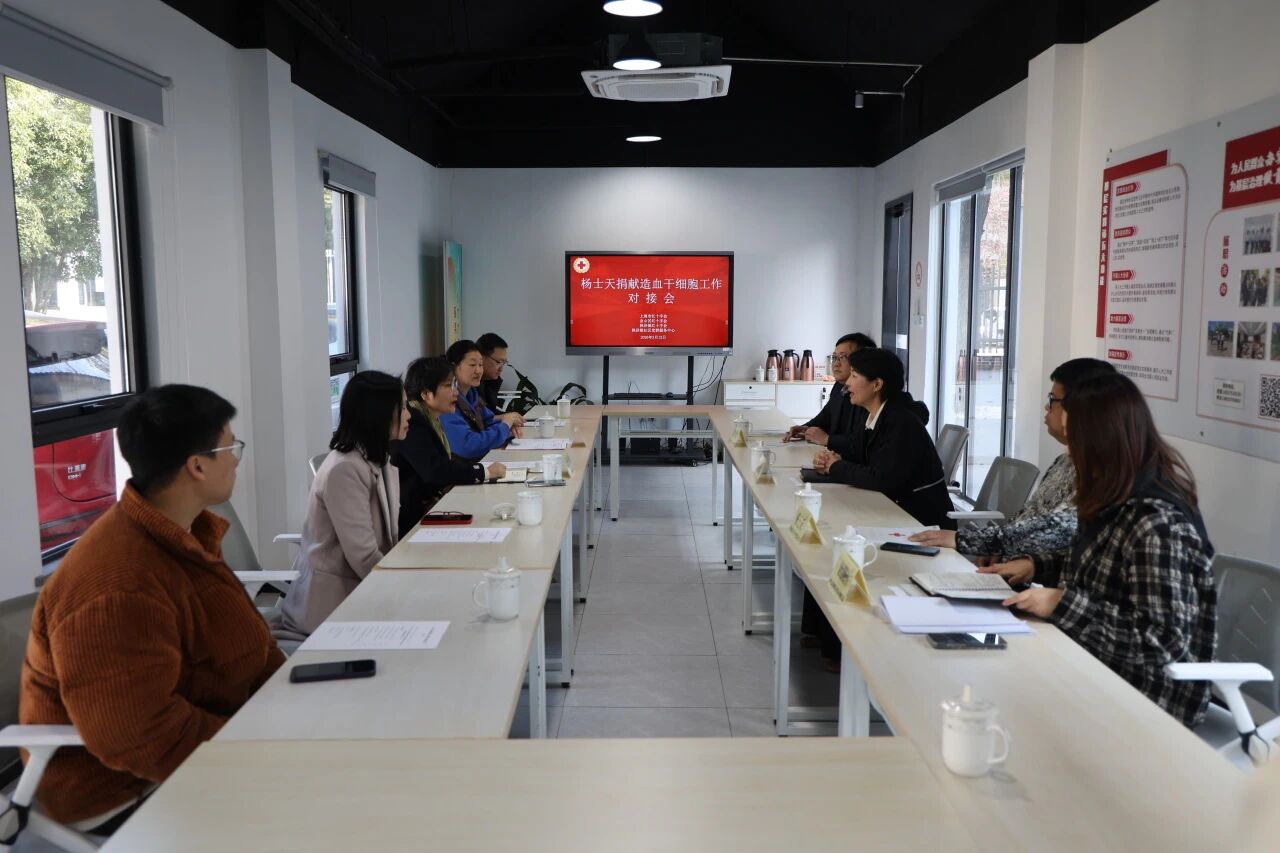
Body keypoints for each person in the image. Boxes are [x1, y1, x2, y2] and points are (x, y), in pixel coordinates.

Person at [18, 385, 284, 833]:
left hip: (214, 738)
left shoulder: (186, 532)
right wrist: (257, 745)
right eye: (230, 448)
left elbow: (249, 643)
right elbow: (137, 734)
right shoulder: (117, 585)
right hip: (121, 788)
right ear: (196, 466)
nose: (237, 460)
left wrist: (290, 702)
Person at [985, 372, 1216, 728]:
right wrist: (1035, 566)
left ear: (1101, 441)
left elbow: (1161, 645)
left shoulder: (1156, 523)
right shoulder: (1114, 495)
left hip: (1145, 700)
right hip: (1091, 665)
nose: (1070, 453)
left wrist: (1061, 603)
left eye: (1075, 440)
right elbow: (1100, 564)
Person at [909, 358, 1116, 560]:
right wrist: (999, 552)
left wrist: (973, 542)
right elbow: (1028, 516)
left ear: (1080, 407)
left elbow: (1059, 531)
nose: (1047, 407)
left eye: (1053, 400)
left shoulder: (1101, 473)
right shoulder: (1063, 461)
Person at [277, 370, 409, 637]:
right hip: (332, 606)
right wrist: (407, 586)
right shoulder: (345, 470)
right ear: (380, 413)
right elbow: (364, 557)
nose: (409, 415)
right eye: (403, 408)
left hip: (365, 590)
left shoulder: (377, 459)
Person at [812, 348, 954, 528]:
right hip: (891, 510)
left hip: (920, 522)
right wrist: (832, 459)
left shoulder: (901, 423)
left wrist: (835, 466)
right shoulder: (874, 415)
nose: (847, 383)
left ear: (877, 384)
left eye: (854, 376)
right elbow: (859, 453)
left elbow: (881, 478)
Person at [394, 357, 507, 538]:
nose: (456, 393)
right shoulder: (413, 423)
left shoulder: (430, 418)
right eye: (449, 386)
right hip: (412, 524)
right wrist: (483, 472)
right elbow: (435, 470)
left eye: (455, 384)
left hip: (430, 510)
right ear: (426, 394)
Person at [784, 332, 876, 450]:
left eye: (842, 357)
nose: (836, 364)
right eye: (834, 357)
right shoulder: (839, 386)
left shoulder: (867, 394)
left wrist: (828, 439)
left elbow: (862, 443)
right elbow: (824, 418)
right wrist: (805, 428)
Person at [440, 339, 523, 461]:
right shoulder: (445, 402)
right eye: (472, 365)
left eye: (481, 365)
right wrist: (505, 426)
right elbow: (467, 446)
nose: (478, 371)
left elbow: (488, 421)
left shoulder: (472, 394)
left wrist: (508, 429)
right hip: (464, 467)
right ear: (453, 367)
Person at [476, 332, 511, 413]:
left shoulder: (492, 382)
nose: (501, 369)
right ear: (481, 357)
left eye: (504, 363)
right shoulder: (469, 385)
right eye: (499, 362)